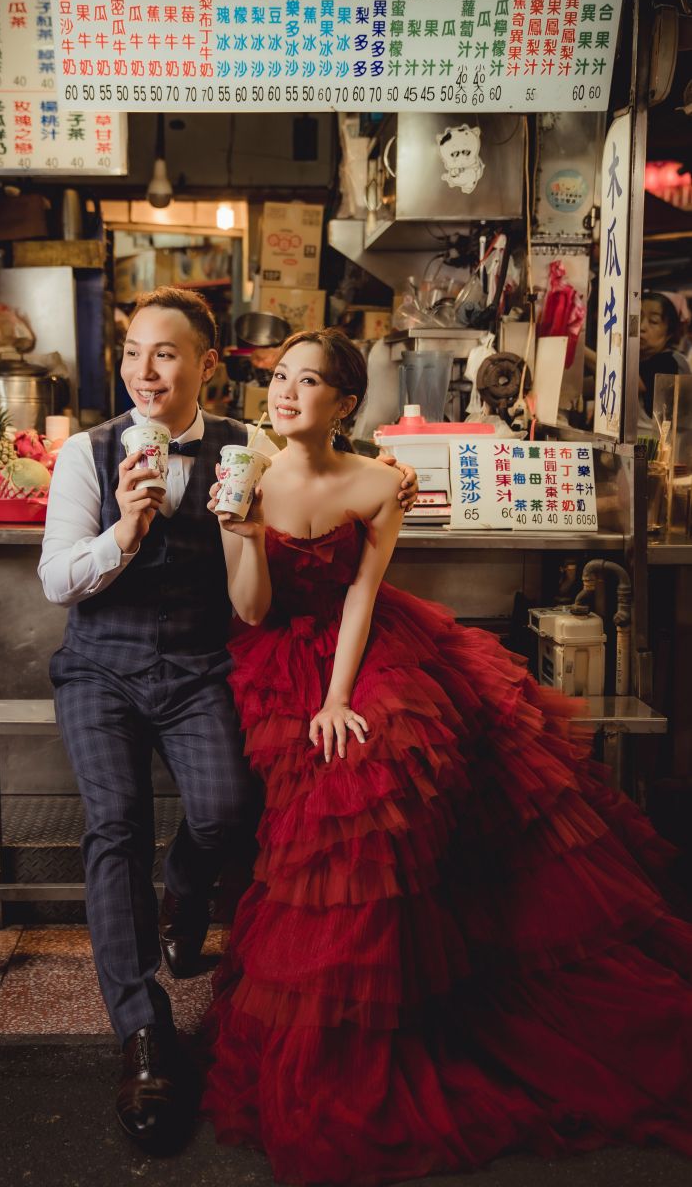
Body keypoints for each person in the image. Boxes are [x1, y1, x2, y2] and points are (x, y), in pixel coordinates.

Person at [203, 327, 692, 1185]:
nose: (284, 393)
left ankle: (415, 999)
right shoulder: (248, 475)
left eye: (307, 381)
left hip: (364, 649)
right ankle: (347, 1018)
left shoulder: (380, 481)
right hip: (276, 654)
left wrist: (337, 698)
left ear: (342, 403)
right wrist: (240, 532)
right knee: (328, 821)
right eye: (279, 377)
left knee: (385, 772)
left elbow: (361, 595)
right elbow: (250, 612)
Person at [38, 289, 418, 1154]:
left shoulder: (245, 445)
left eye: (165, 354)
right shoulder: (86, 454)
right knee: (114, 827)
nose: (143, 371)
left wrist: (391, 468)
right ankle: (143, 1032)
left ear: (207, 366)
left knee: (225, 813)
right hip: (100, 666)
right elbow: (56, 581)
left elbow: (319, 463)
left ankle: (183, 890)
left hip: (201, 663)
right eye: (132, 353)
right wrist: (123, 532)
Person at [639, 291, 690, 422]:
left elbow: (635, 383)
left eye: (653, 321)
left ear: (670, 331)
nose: (641, 327)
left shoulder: (669, 361)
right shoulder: (639, 361)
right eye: (637, 318)